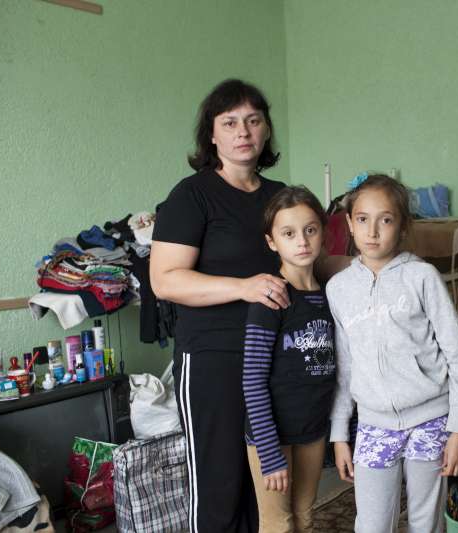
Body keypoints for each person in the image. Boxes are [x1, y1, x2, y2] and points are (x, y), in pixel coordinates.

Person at [150, 78, 289, 533]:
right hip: (212, 355)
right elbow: (165, 281)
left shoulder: (280, 197)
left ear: (266, 129)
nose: (243, 131)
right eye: (229, 122)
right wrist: (243, 287)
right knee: (219, 481)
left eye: (253, 120)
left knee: (265, 482)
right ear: (212, 135)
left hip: (272, 355)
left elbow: (308, 261)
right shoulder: (191, 196)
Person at [327, 174, 458, 533]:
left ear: (403, 226)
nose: (373, 231)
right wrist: (339, 434)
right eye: (362, 219)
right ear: (349, 223)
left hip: (431, 420)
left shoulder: (422, 277)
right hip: (374, 424)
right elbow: (345, 367)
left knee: (426, 522)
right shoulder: (338, 288)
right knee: (372, 524)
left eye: (386, 219)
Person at [242, 186, 336, 532]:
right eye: (289, 233)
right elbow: (252, 380)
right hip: (272, 436)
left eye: (310, 230)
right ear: (272, 241)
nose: (302, 241)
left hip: (312, 431)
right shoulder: (271, 299)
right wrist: (268, 452)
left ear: (322, 233)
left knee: (305, 516)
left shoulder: (329, 296)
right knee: (279, 524)